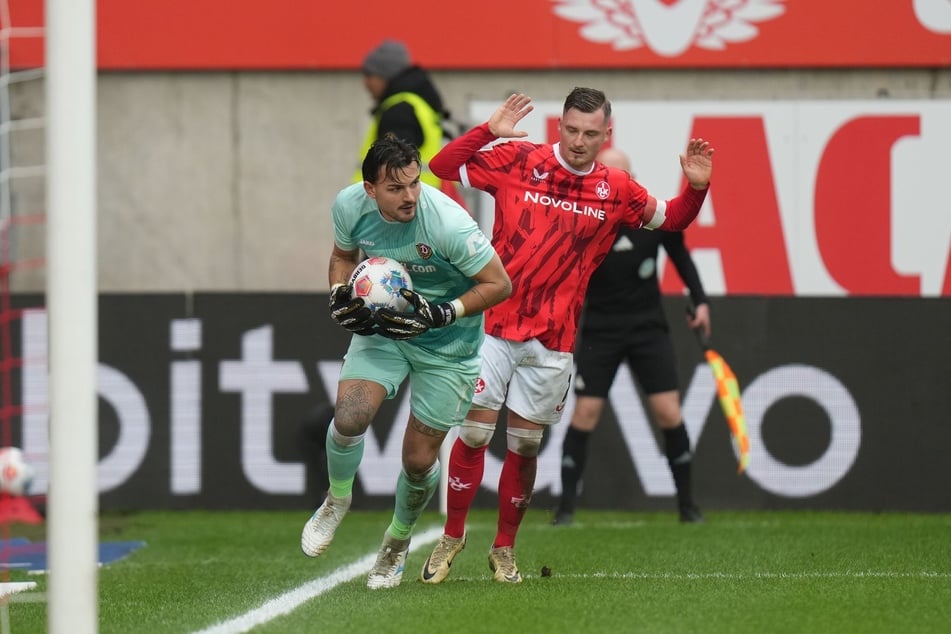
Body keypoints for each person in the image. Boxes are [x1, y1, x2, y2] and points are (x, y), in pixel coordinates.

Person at [419, 89, 715, 584]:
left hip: (555, 337)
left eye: (590, 133)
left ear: (606, 134)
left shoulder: (617, 188)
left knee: (526, 446)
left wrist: (697, 188)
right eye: (571, 130)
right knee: (473, 432)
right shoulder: (519, 158)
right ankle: (452, 536)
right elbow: (443, 165)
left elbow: (674, 219)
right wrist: (488, 131)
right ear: (561, 127)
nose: (579, 142)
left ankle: (504, 549)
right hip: (493, 321)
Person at [300, 135, 512, 590]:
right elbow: (342, 257)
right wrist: (339, 294)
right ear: (370, 189)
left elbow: (499, 284)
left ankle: (396, 545)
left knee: (417, 461)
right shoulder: (348, 206)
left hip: (448, 344)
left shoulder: (448, 224)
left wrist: (445, 311)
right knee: (350, 415)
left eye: (414, 183)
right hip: (385, 331)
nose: (410, 196)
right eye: (395, 188)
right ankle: (337, 500)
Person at [553, 146, 711, 527]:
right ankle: (565, 510)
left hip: (647, 328)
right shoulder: (585, 220)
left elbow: (682, 257)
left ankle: (688, 506)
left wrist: (700, 299)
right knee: (586, 413)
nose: (613, 182)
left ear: (632, 179)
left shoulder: (651, 217)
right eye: (605, 174)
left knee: (668, 412)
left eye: (620, 175)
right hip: (601, 331)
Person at [357, 39, 466, 207]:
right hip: (425, 202)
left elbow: (394, 172)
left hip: (408, 209)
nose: (365, 83)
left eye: (369, 75)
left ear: (385, 76)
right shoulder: (416, 104)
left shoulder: (398, 111)